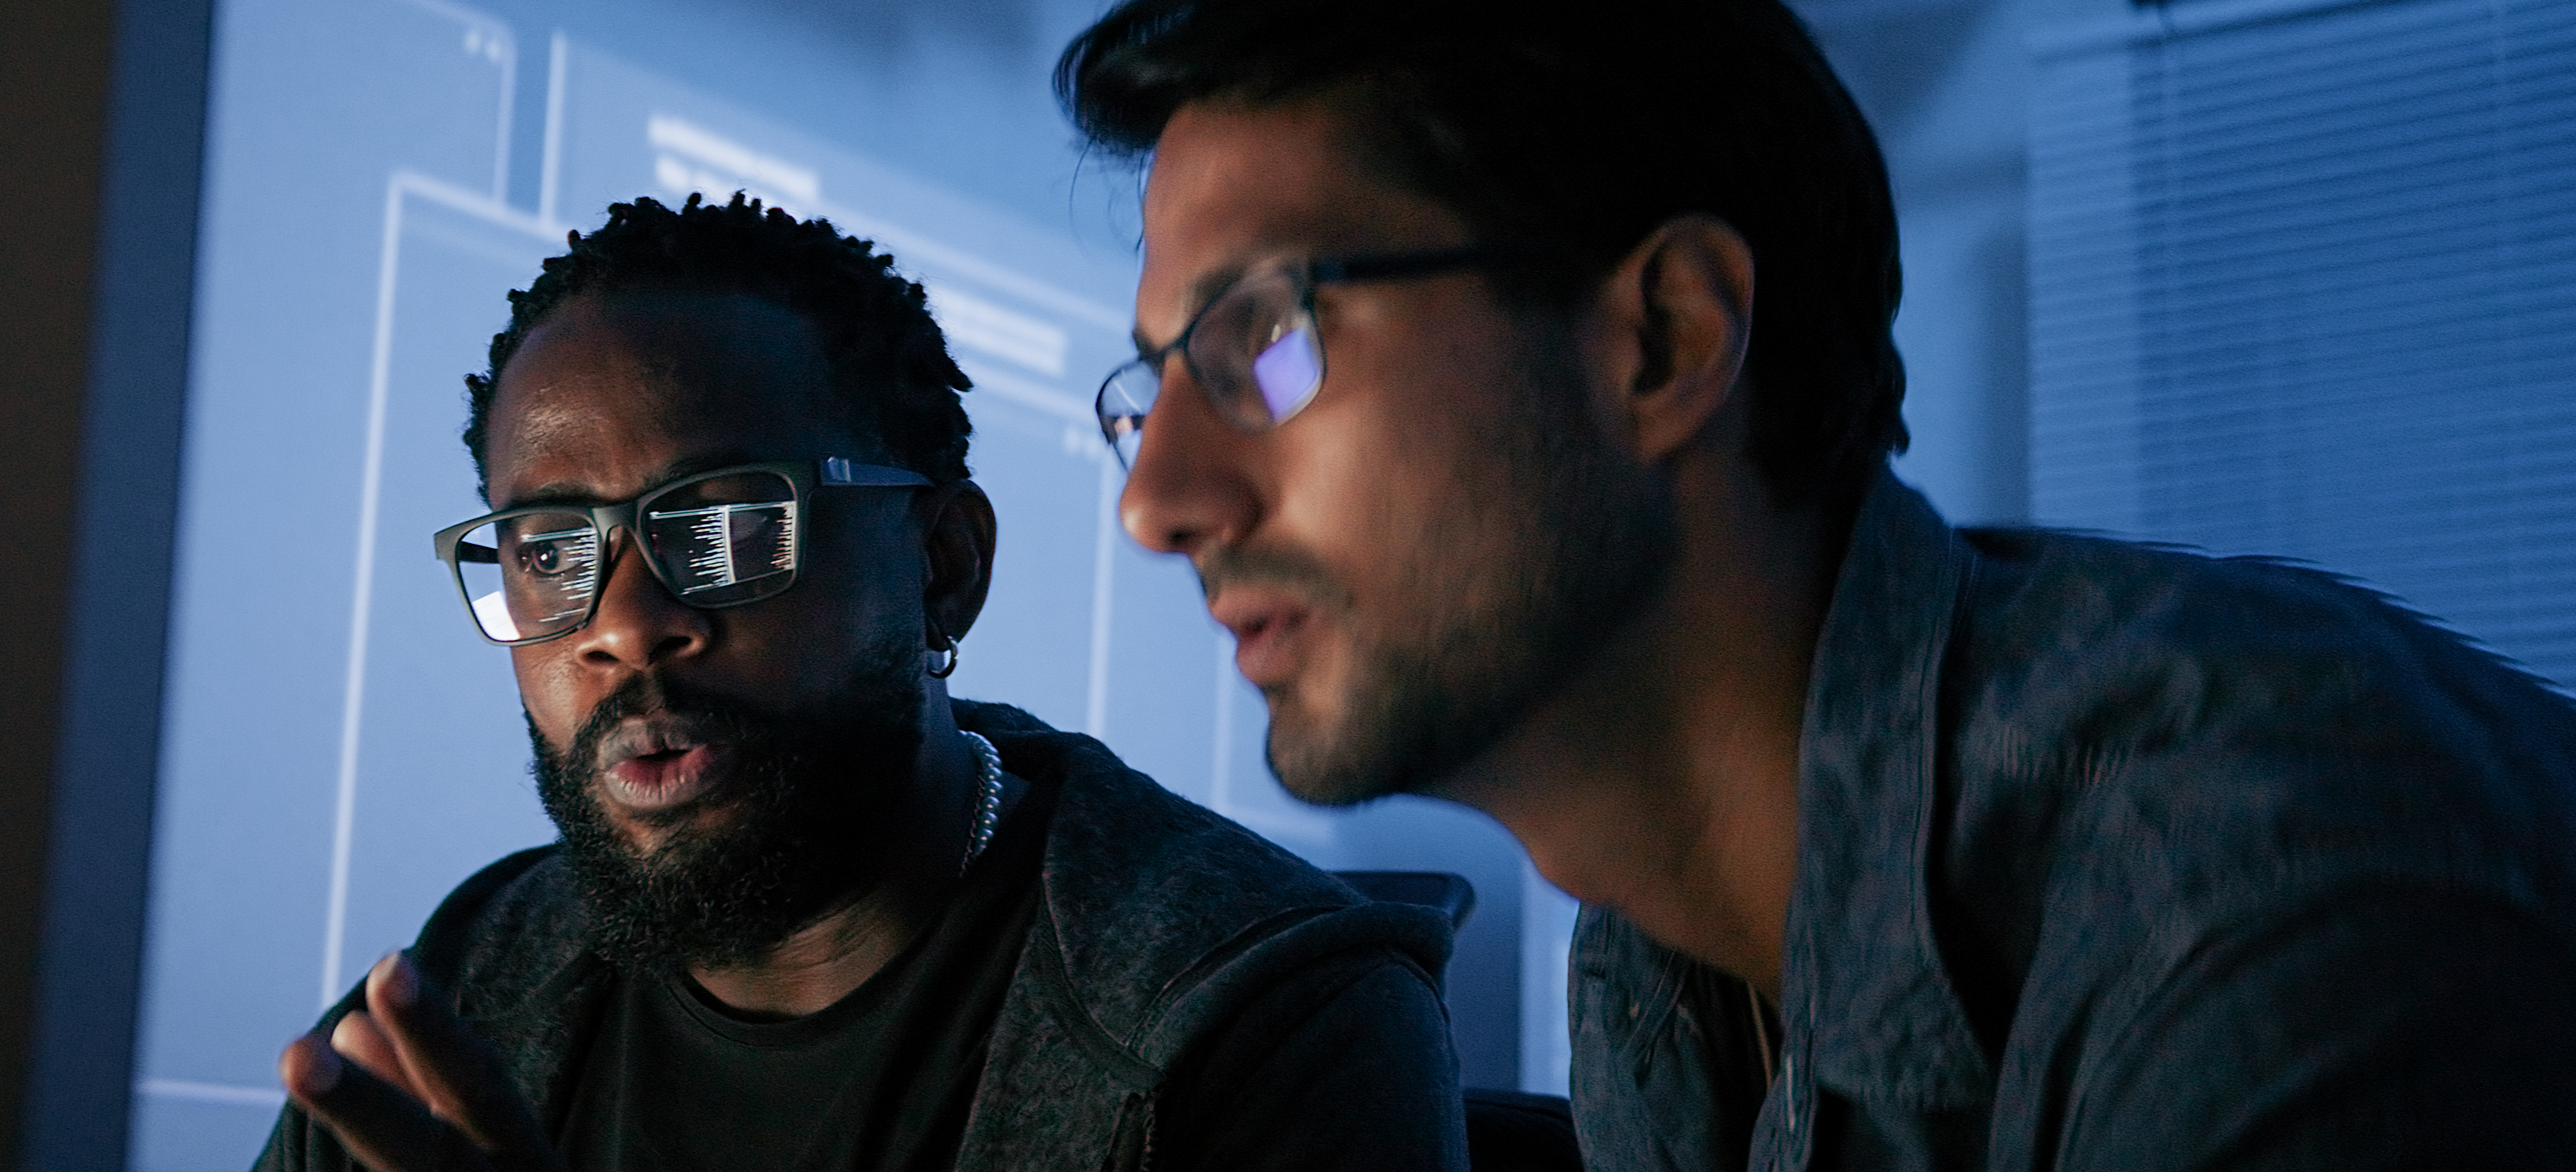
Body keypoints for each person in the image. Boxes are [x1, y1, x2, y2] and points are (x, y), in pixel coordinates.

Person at [1056, 0, 2576, 1167]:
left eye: (1267, 338)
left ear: (1666, 338)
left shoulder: (2255, 893)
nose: (1153, 503)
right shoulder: (1651, 944)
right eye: (1154, 388)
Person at [254, 193, 1481, 1172]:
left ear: (943, 567)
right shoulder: (460, 990)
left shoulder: (1270, 1020)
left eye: (731, 527)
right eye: (551, 552)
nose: (623, 626)